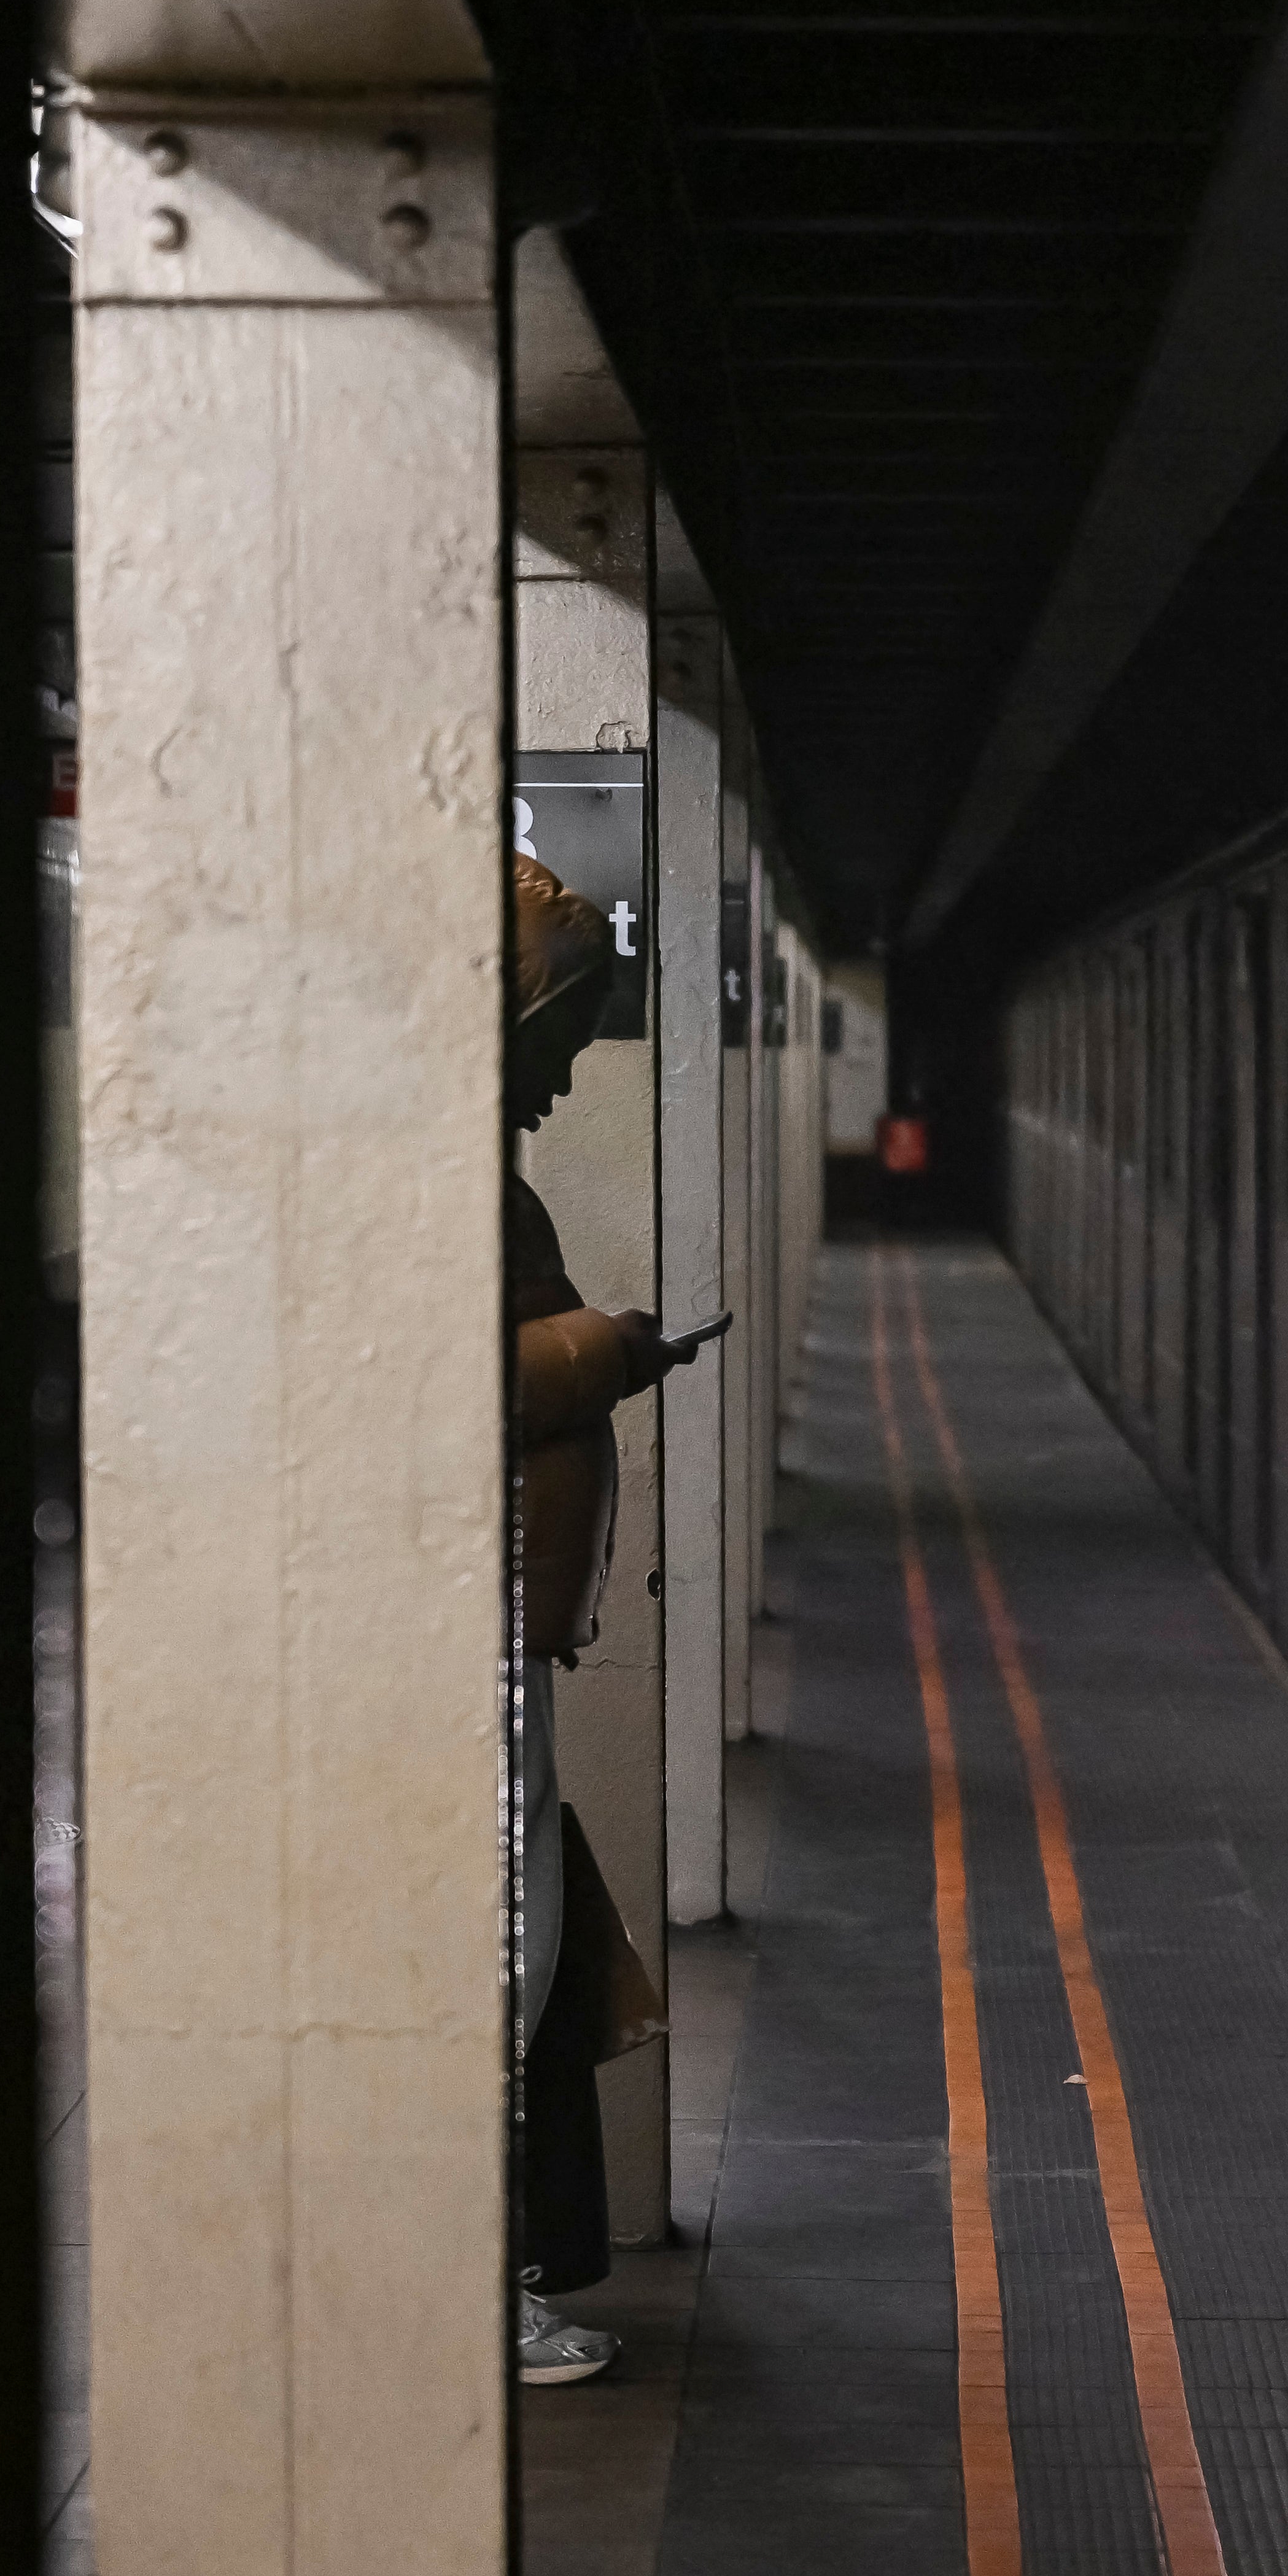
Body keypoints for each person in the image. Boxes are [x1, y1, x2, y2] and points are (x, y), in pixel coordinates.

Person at [508, 854, 697, 2384]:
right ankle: (480, 2278)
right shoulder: (429, 1179)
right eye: (558, 1044)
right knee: (499, 1950)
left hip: (495, 1626)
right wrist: (609, 1350)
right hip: (460, 1635)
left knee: (526, 1935)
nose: (567, 1081)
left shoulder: (466, 1177)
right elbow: (458, 1374)